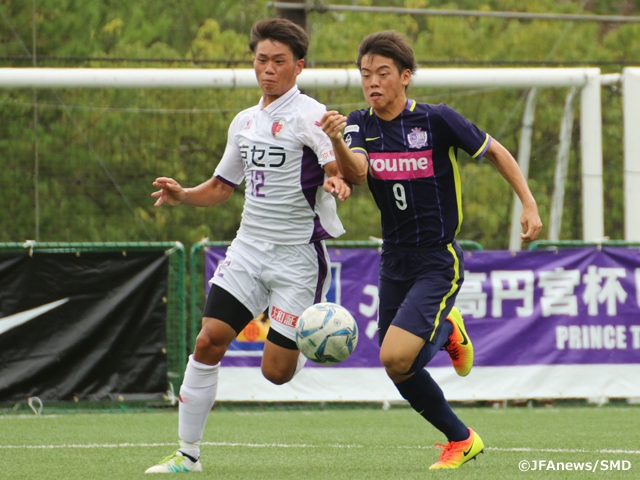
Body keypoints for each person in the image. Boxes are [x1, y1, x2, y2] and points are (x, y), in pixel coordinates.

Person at [321, 31, 542, 470]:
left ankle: (446, 331)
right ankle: (461, 439)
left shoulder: (436, 120)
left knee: (394, 355)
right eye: (366, 75)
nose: (373, 83)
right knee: (397, 365)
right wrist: (338, 147)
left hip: (438, 258)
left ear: (405, 77)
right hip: (394, 257)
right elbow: (360, 171)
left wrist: (529, 201)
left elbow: (495, 151)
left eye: (383, 73)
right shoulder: (357, 123)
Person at [145, 17, 351, 474]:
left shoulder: (311, 116)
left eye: (279, 62)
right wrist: (184, 195)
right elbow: (222, 186)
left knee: (275, 373)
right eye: (261, 60)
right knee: (208, 341)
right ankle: (187, 456)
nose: (268, 69)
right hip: (248, 250)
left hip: (298, 257)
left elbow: (336, 168)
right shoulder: (245, 121)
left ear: (298, 66)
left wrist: (337, 182)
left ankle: (315, 342)